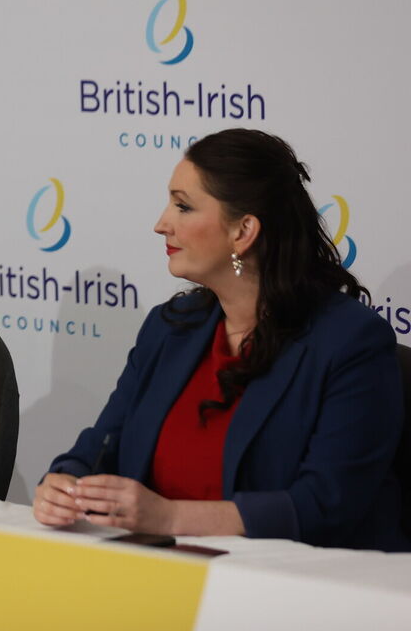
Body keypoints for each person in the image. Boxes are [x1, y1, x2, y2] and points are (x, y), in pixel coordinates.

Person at [34, 128, 408, 551]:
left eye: (183, 206)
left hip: (304, 593)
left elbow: (326, 505)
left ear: (243, 231)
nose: (161, 224)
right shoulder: (169, 328)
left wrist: (171, 516)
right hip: (165, 579)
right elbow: (102, 446)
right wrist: (65, 482)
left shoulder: (351, 342)